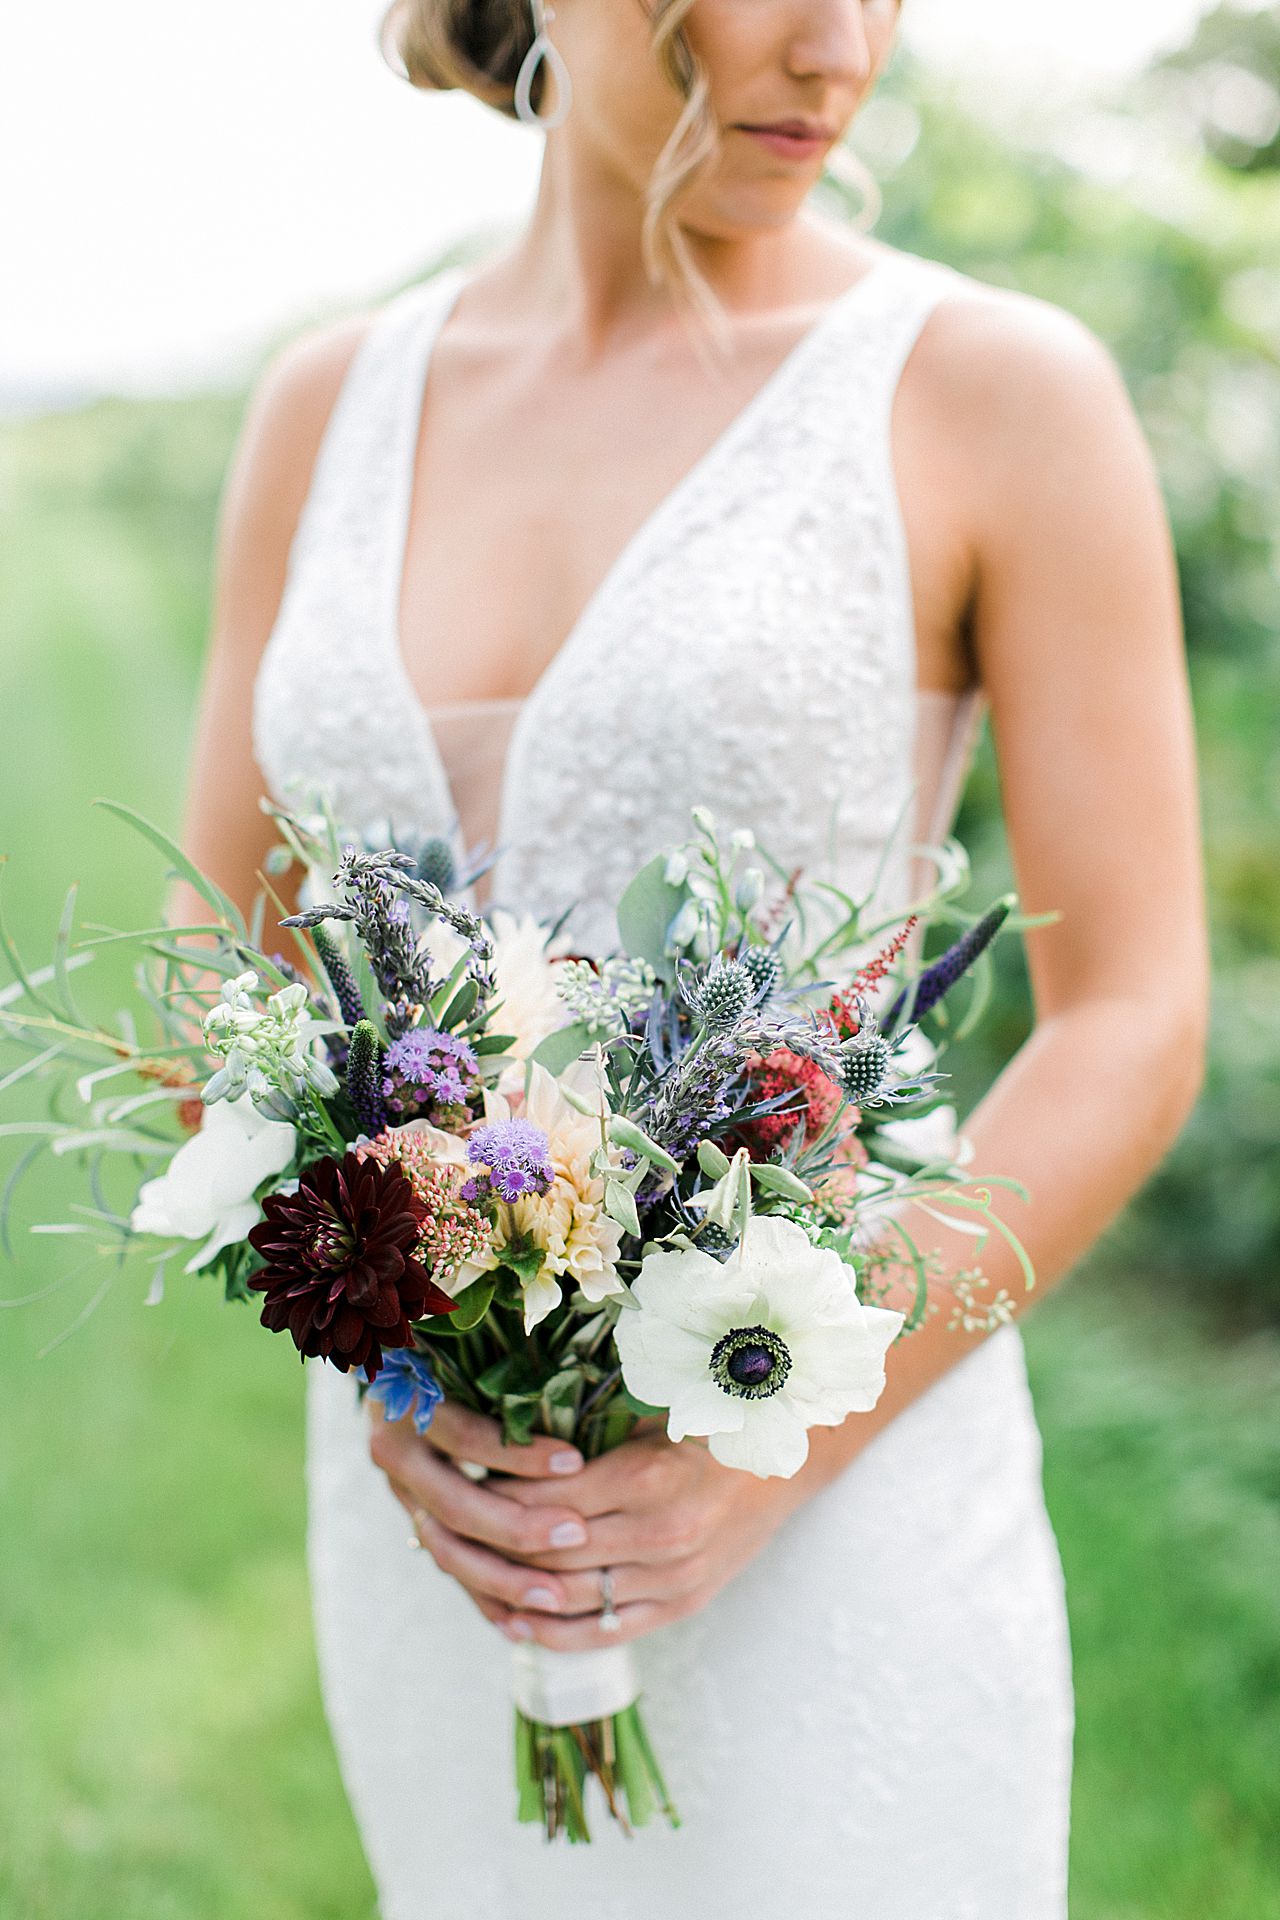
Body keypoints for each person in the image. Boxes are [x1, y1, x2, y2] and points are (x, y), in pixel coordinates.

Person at [167, 0, 1208, 1909]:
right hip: (445, 1513)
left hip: (836, 1459)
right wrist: (412, 1364)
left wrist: (776, 1437)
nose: (842, 50)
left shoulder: (993, 389)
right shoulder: (326, 410)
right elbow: (216, 949)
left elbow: (1133, 1014)